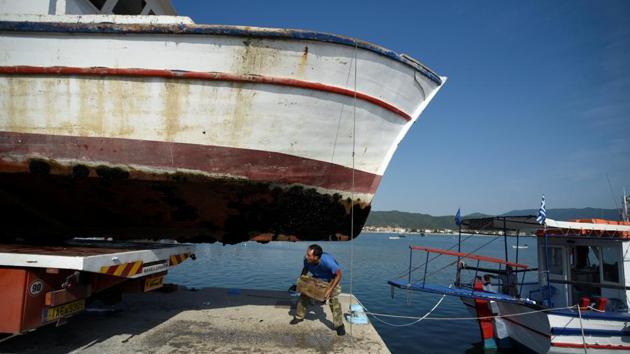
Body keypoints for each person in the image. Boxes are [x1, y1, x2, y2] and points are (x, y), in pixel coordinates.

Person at [290, 244, 345, 336]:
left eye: (309, 255)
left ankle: (339, 325)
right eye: (307, 254)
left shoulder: (328, 262)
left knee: (333, 301)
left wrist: (329, 290)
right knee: (304, 294)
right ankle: (299, 317)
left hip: (331, 279)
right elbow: (305, 268)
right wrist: (301, 282)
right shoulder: (307, 260)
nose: (306, 256)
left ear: (316, 257)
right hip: (317, 278)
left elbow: (339, 275)